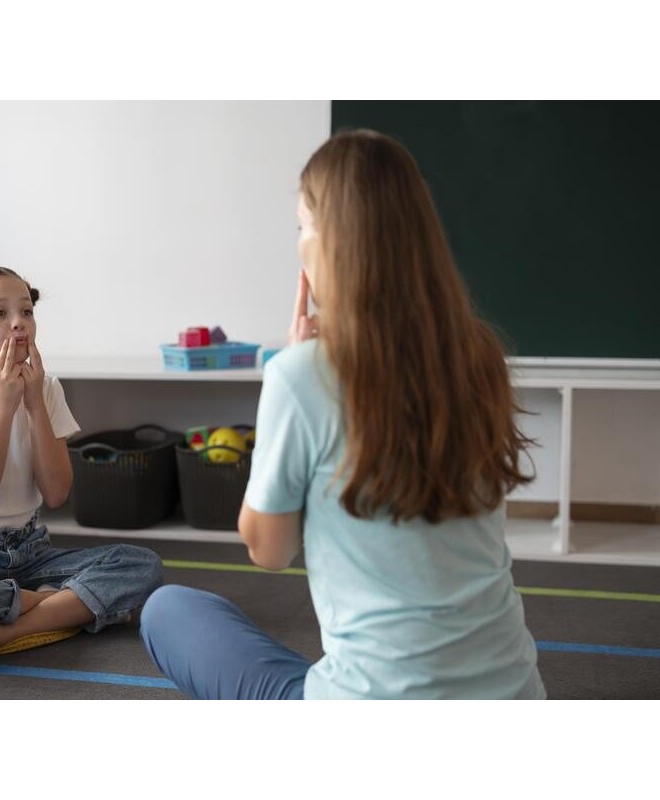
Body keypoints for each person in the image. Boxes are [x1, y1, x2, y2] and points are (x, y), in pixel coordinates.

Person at [140, 130, 547, 699]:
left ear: (330, 243)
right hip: (516, 699)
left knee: (168, 609)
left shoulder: (301, 374)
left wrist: (285, 377)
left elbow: (270, 550)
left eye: (303, 226)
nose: (299, 242)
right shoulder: (479, 357)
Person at [0, 267, 163, 665]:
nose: (19, 322)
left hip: (32, 552)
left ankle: (8, 628)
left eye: (26, 311)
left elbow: (57, 493)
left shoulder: (46, 387)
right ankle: (56, 606)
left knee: (142, 565)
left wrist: (33, 403)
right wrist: (5, 406)